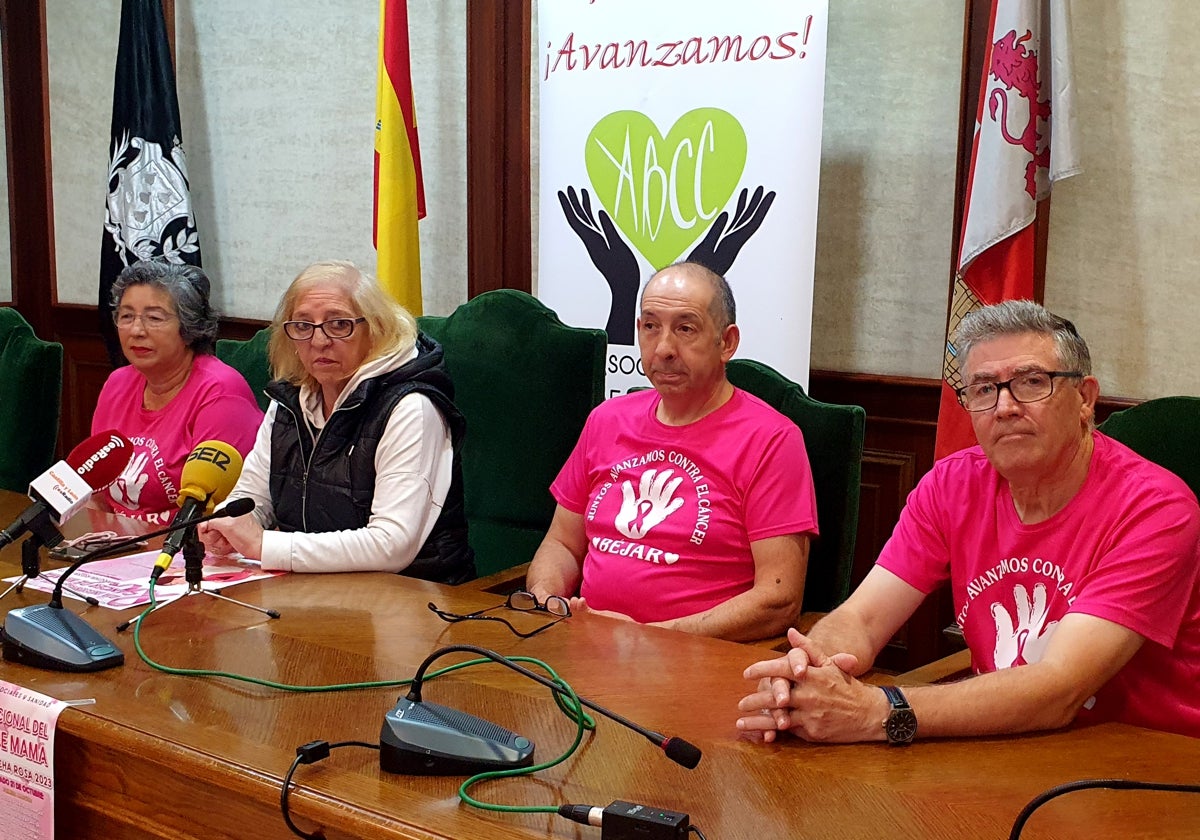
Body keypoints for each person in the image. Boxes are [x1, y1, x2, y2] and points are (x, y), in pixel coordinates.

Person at [737, 300, 1200, 742]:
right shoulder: (951, 485)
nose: (1004, 406)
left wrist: (876, 712)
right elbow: (863, 617)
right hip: (1002, 741)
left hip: (1144, 759)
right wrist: (808, 672)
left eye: (1032, 382)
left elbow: (1060, 689)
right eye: (983, 389)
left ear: (1084, 399)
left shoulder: (1156, 508)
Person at [525, 261, 817, 642]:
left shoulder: (771, 440)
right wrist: (548, 600)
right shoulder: (606, 420)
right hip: (584, 647)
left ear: (726, 342)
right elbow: (562, 543)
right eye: (650, 326)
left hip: (697, 661)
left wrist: (652, 638)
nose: (663, 348)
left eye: (685, 328)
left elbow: (778, 600)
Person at [197, 260, 474, 583]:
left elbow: (392, 545)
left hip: (413, 598)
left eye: (339, 324)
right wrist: (230, 524)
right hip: (311, 589)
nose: (319, 341)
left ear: (375, 331)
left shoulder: (411, 407)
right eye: (302, 325)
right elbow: (253, 497)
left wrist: (263, 544)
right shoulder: (289, 401)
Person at [90, 261, 263, 526]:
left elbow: (220, 515)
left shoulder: (221, 393)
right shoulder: (118, 383)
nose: (136, 330)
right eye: (126, 316)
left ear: (189, 328)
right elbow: (96, 489)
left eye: (154, 318)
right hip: (114, 547)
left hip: (189, 552)